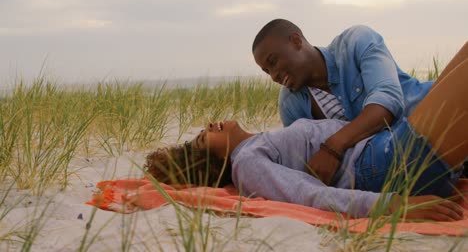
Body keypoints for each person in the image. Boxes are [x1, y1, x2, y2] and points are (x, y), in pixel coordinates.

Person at [145, 43, 467, 221]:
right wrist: (396, 206)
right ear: (217, 159)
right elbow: (309, 194)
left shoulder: (260, 142)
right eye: (205, 137)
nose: (210, 125)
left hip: (388, 149)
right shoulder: (246, 164)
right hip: (388, 163)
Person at [251, 19, 434, 185]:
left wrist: (333, 146)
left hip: (436, 114)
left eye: (273, 62)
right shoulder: (290, 104)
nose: (273, 76)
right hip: (403, 162)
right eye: (267, 71)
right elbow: (306, 154)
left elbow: (388, 100)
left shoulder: (356, 41)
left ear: (296, 41)